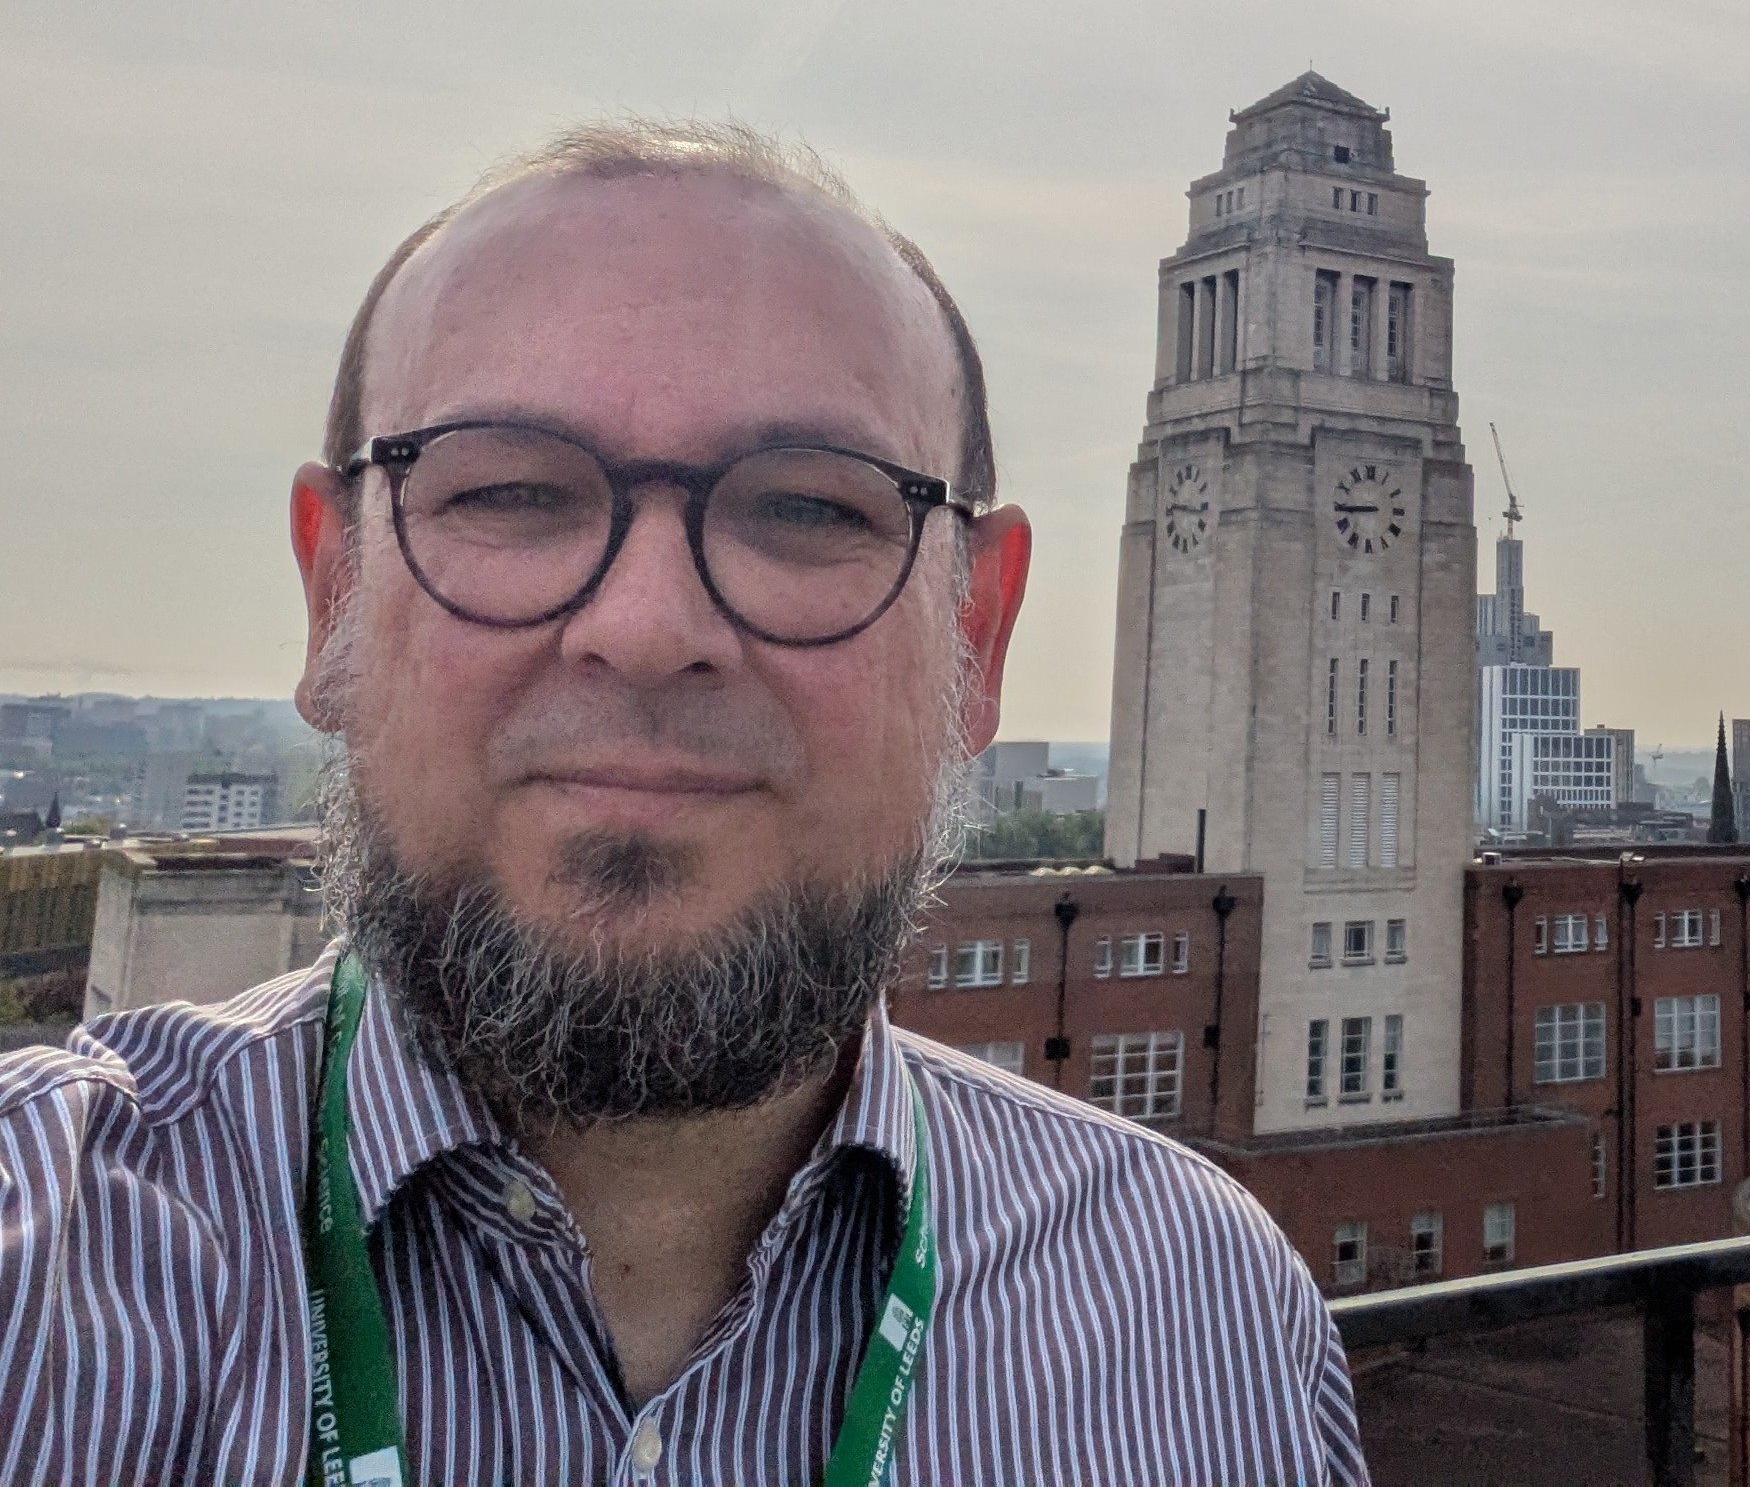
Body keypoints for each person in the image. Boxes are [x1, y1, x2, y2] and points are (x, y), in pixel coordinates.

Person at [0, 122, 1369, 1485]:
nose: (648, 626)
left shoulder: (1209, 1322)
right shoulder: (36, 1253)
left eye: (810, 510)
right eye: (509, 490)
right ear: (333, 598)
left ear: (978, 636)